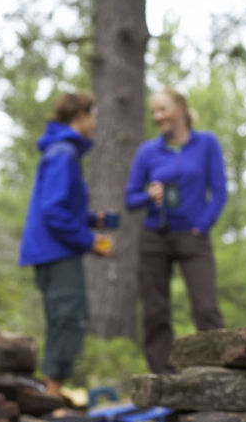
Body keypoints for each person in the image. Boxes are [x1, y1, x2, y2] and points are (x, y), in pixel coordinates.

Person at [124, 88, 228, 373]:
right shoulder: (147, 151)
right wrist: (149, 195)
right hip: (154, 236)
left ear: (181, 108)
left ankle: (218, 369)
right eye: (154, 111)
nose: (158, 117)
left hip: (193, 236)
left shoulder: (206, 144)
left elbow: (219, 192)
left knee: (206, 307)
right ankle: (164, 376)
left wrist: (202, 225)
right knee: (155, 311)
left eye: (163, 109)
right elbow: (130, 199)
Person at [18, 91, 112, 402]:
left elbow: (61, 207)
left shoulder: (62, 151)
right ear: (82, 116)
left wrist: (92, 219)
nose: (96, 123)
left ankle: (52, 390)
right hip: (56, 251)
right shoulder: (63, 153)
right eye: (94, 115)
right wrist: (90, 241)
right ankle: (52, 394)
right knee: (68, 317)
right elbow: (54, 211)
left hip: (52, 250)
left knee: (65, 317)